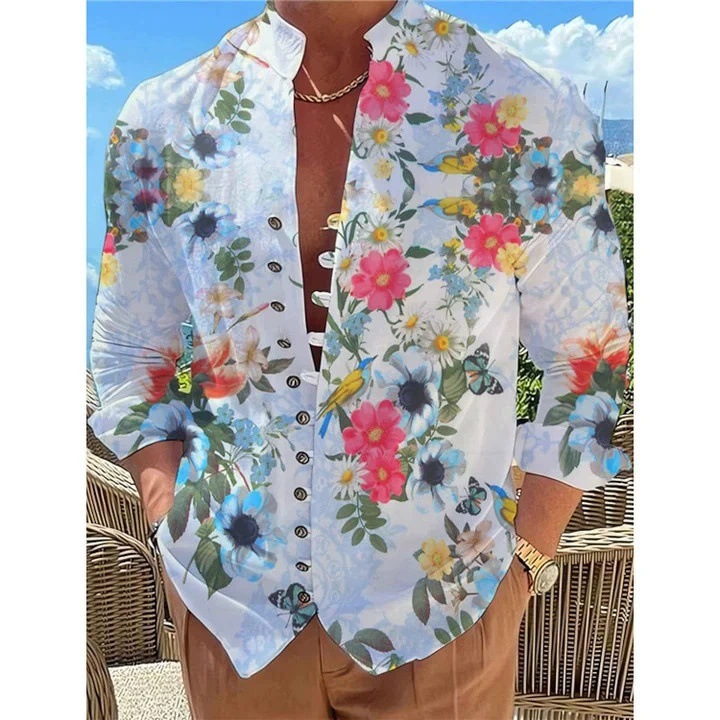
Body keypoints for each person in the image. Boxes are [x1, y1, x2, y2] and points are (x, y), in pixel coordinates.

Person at [88, 1, 631, 717]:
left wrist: (529, 556)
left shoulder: (524, 111)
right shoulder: (164, 122)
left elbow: (590, 359)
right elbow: (130, 349)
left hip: (443, 610)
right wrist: (166, 511)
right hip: (233, 612)